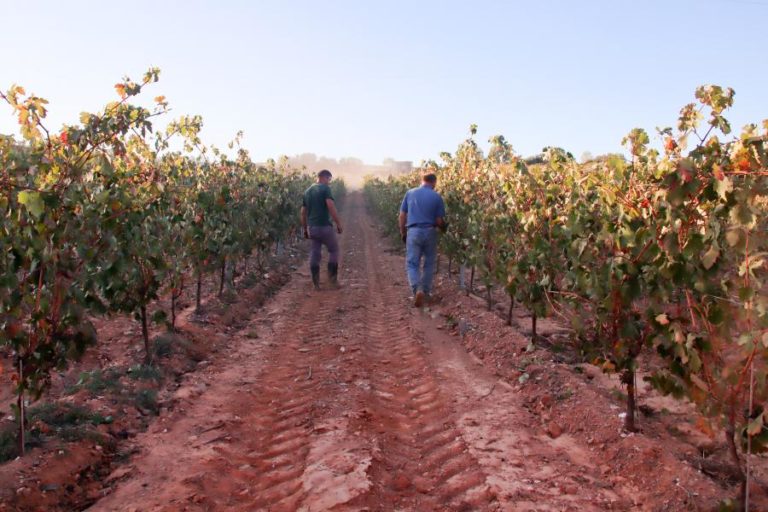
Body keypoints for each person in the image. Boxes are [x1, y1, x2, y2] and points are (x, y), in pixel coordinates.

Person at [398, 172, 446, 307]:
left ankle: (417, 289)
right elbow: (439, 220)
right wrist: (444, 228)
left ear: (422, 180)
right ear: (434, 182)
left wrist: (403, 232)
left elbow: (402, 215)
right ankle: (425, 291)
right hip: (430, 231)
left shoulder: (410, 193)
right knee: (429, 263)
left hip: (413, 231)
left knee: (412, 263)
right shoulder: (437, 197)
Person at [301, 169, 343, 290]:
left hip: (313, 228)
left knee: (315, 252)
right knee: (334, 250)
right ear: (324, 177)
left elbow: (303, 213)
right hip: (325, 226)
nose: (329, 182)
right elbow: (330, 206)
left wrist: (305, 229)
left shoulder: (307, 191)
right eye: (329, 179)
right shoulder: (325, 189)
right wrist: (338, 223)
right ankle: (332, 281)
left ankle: (316, 283)